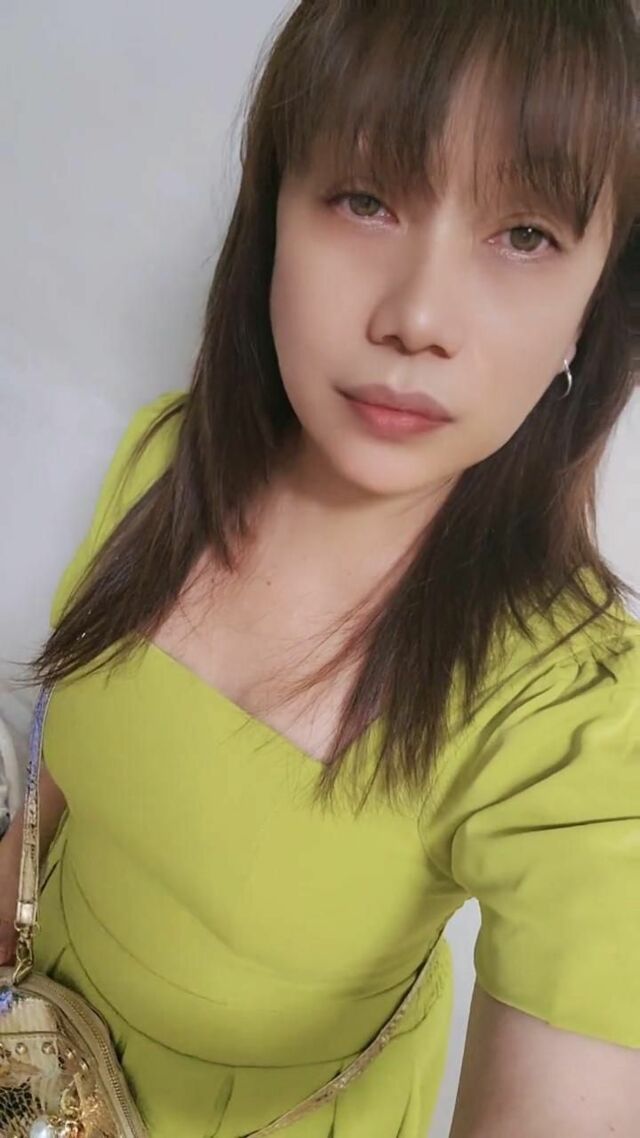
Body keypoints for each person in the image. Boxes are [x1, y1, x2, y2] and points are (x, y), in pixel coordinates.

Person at [1, 1, 639, 1135]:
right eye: (366, 199)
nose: (418, 316)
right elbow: (53, 803)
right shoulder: (163, 461)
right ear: (273, 222)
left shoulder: (582, 723)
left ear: (598, 304)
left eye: (525, 234)